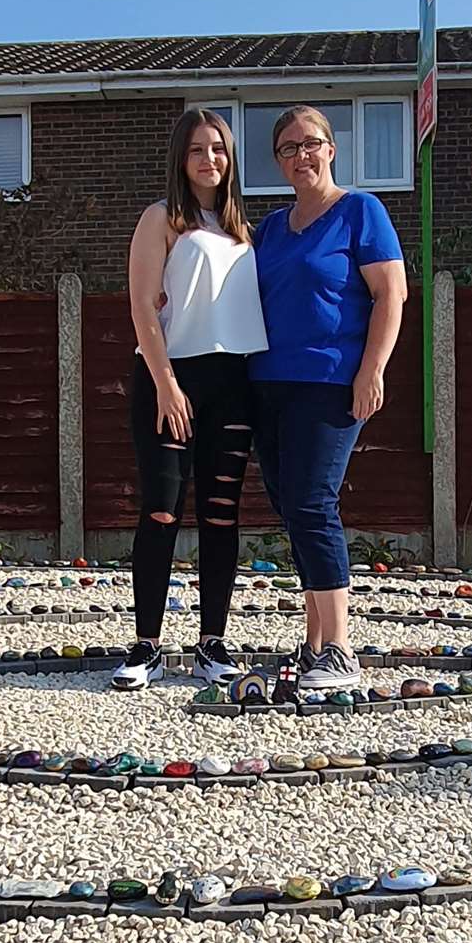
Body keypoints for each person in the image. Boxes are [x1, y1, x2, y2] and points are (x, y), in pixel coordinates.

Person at [250, 105, 406, 690]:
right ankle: (314, 641)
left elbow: (391, 294)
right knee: (291, 508)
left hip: (330, 380)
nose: (301, 156)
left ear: (331, 149)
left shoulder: (360, 212)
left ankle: (339, 648)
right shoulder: (269, 229)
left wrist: (373, 370)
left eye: (310, 144)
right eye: (288, 149)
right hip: (267, 385)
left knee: (313, 502)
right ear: (278, 161)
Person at [112, 108, 268, 690]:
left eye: (220, 149)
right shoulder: (162, 219)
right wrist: (167, 384)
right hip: (170, 380)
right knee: (161, 511)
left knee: (221, 516)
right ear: (182, 157)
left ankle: (212, 643)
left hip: (233, 385)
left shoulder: (242, 231)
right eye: (198, 149)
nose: (210, 160)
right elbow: (141, 308)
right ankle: (147, 645)